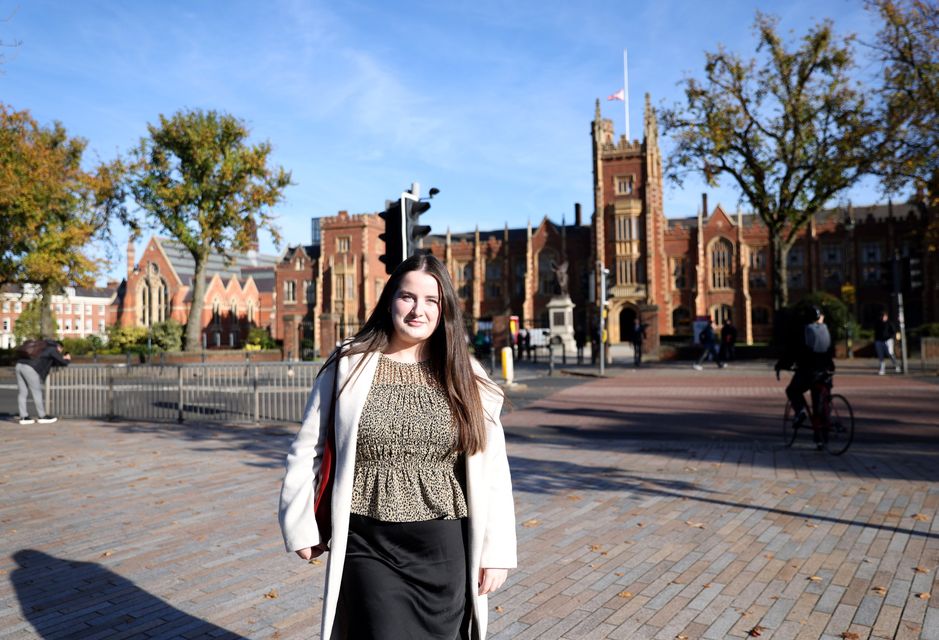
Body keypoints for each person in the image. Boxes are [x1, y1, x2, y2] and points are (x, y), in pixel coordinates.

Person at [278, 254, 517, 640]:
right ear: (389, 300)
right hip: (368, 541)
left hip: (444, 547)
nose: (417, 310)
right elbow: (308, 448)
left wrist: (497, 553)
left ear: (445, 309)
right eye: (407, 297)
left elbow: (493, 472)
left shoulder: (466, 373)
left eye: (431, 301)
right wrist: (300, 524)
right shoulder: (349, 363)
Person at [775, 305, 836, 449]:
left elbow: (792, 352)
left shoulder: (803, 330)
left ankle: (800, 412)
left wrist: (781, 365)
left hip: (809, 371)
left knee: (792, 391)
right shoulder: (825, 329)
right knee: (820, 403)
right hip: (826, 371)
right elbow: (830, 350)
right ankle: (822, 438)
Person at [15, 339, 71, 425]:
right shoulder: (53, 349)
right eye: (60, 350)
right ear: (59, 347)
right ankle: (42, 416)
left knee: (22, 392)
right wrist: (67, 359)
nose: (59, 352)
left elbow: (47, 360)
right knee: (37, 392)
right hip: (30, 368)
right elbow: (62, 362)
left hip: (19, 365)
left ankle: (23, 417)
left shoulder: (43, 346)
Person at [873, 311, 900, 375]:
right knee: (880, 355)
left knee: (890, 353)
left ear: (886, 317)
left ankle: (896, 365)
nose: (882, 318)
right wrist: (876, 340)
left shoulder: (890, 323)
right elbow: (876, 332)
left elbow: (893, 332)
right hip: (879, 341)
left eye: (884, 316)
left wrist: (892, 338)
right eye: (881, 316)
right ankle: (882, 369)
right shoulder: (878, 323)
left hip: (888, 340)